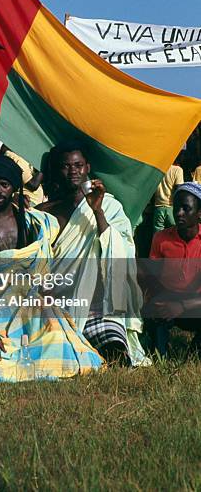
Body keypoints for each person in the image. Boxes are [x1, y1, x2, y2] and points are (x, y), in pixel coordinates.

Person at [0, 155, 103, 382]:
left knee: (57, 338)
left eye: (4, 185)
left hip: (28, 303)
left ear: (14, 189)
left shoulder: (31, 222)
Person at [39, 142, 149, 366]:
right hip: (56, 308)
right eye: (66, 166)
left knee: (115, 353)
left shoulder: (108, 206)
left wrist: (96, 210)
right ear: (57, 170)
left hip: (98, 309)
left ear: (88, 168)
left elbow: (122, 251)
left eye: (78, 165)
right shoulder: (43, 212)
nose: (73, 171)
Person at [145, 183, 201, 356]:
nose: (178, 213)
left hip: (196, 303)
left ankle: (194, 351)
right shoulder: (161, 239)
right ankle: (159, 354)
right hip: (168, 299)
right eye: (176, 208)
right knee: (152, 310)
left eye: (186, 208)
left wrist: (182, 305)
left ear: (199, 214)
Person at [153, 162, 184, 232]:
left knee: (158, 235)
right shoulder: (177, 170)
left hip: (158, 207)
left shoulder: (158, 168)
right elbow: (178, 189)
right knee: (175, 235)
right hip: (171, 207)